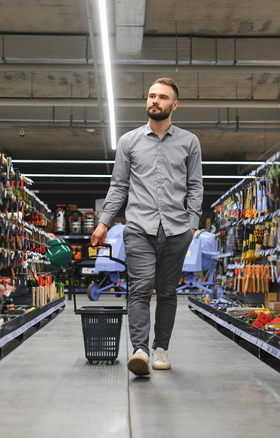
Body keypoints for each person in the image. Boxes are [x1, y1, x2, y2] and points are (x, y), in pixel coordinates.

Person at [91, 77, 203, 377]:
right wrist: (103, 223)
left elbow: (195, 186)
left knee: (167, 292)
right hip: (138, 227)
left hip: (177, 230)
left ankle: (160, 349)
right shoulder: (129, 141)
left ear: (174, 105)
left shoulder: (189, 142)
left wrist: (192, 225)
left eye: (163, 97)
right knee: (139, 288)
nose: (155, 101)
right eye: (152, 96)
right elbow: (118, 186)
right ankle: (139, 349)